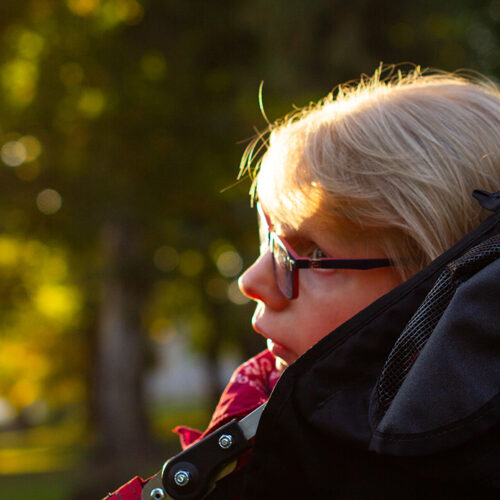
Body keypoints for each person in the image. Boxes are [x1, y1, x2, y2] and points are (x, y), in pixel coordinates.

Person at [104, 66, 500, 499]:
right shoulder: (262, 446)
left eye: (312, 252)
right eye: (269, 240)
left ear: (439, 292)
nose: (251, 281)